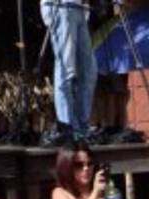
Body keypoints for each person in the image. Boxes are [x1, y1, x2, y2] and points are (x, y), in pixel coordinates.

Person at [40, 0, 97, 138]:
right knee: (66, 70)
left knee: (88, 72)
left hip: (80, 8)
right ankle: (67, 127)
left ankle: (82, 128)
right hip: (60, 6)